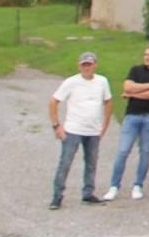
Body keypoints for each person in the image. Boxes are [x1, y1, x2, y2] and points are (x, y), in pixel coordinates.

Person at [103, 42, 149, 201]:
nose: (147, 58)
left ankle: (138, 184)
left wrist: (132, 93)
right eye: (145, 55)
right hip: (132, 115)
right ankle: (114, 186)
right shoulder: (135, 70)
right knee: (123, 151)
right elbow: (127, 86)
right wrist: (148, 86)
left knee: (145, 152)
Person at [48, 51, 112, 209]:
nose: (87, 68)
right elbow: (53, 101)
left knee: (91, 163)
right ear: (79, 66)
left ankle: (88, 193)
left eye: (89, 64)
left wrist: (104, 125)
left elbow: (108, 102)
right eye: (84, 65)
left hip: (93, 131)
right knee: (65, 163)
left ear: (95, 65)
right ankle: (57, 196)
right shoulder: (71, 82)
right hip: (73, 129)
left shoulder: (102, 82)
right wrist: (57, 125)